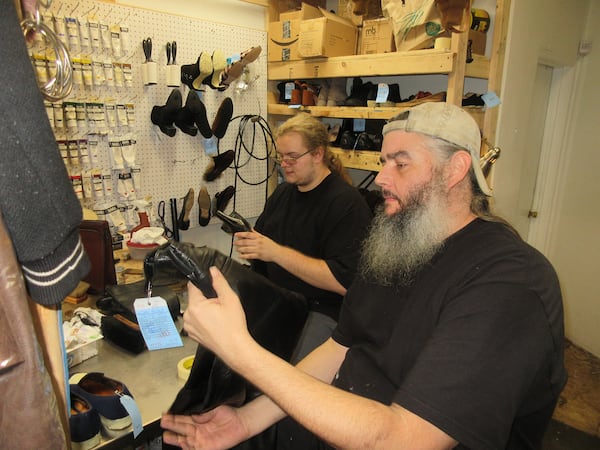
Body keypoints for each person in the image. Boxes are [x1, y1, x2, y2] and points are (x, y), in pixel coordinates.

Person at [161, 102, 567, 450]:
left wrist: (239, 350)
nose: (383, 179)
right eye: (384, 162)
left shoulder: (510, 283)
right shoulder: (396, 243)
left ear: (456, 169)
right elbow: (339, 347)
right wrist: (247, 420)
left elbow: (405, 439)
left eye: (401, 164)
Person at [232, 112, 373, 361]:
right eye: (281, 157)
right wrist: (252, 245)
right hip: (279, 298)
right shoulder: (283, 194)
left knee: (293, 375)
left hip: (323, 309)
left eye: (293, 157)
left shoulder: (347, 204)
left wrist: (274, 251)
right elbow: (263, 253)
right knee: (229, 343)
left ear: (318, 154)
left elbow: (343, 283)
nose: (285, 163)